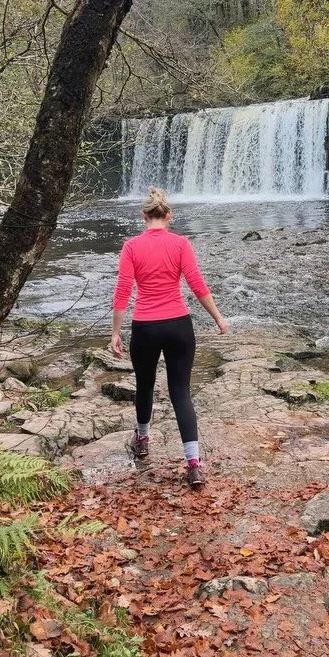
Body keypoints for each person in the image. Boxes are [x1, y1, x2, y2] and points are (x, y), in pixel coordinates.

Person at [111, 187, 229, 486]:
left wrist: (115, 332)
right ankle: (193, 464)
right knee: (181, 393)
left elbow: (123, 291)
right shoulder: (180, 244)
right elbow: (197, 284)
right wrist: (218, 318)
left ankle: (142, 439)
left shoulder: (131, 246)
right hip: (179, 325)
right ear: (169, 216)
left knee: (145, 386)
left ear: (144, 216)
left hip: (145, 327)